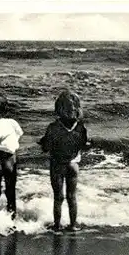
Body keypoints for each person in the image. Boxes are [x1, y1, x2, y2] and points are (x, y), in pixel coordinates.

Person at [38, 90, 91, 231]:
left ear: (58, 108)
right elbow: (84, 144)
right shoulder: (80, 127)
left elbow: (46, 146)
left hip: (57, 165)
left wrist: (42, 144)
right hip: (73, 164)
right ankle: (73, 225)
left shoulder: (53, 127)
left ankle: (57, 225)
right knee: (72, 196)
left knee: (58, 197)